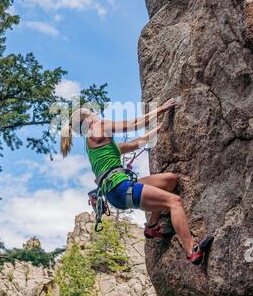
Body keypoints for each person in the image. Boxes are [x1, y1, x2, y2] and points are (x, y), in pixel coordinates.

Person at [60, 100, 213, 265]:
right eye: (92, 112)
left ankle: (152, 226)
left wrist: (158, 129)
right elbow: (133, 124)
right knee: (175, 202)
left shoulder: (98, 143)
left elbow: (134, 144)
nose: (97, 115)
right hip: (121, 188)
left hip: (117, 190)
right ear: (88, 120)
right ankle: (192, 250)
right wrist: (162, 108)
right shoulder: (99, 128)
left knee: (170, 180)